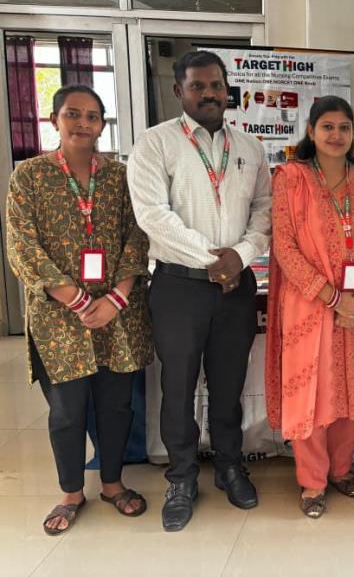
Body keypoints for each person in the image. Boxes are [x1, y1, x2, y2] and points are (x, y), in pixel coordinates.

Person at [127, 50, 272, 531]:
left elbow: (264, 210)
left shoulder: (250, 147)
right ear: (179, 91)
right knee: (179, 388)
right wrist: (213, 259)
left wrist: (240, 255)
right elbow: (153, 216)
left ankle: (230, 466)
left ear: (227, 90)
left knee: (230, 385)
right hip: (179, 287)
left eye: (216, 86)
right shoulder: (155, 144)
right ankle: (182, 477)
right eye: (198, 86)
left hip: (236, 286)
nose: (209, 94)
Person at [6, 85, 153, 535]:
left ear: (102, 124)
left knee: (116, 405)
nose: (83, 123)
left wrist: (115, 299)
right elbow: (22, 243)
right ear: (55, 120)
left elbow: (138, 236)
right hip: (59, 316)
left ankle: (112, 483)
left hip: (118, 312)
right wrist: (76, 298)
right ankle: (71, 491)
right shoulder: (29, 176)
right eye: (73, 114)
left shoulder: (121, 177)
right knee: (67, 409)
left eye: (92, 116)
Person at [264, 96, 354, 518]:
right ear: (311, 131)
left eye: (344, 128)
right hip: (310, 305)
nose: (336, 135)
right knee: (313, 395)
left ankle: (341, 469)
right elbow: (285, 246)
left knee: (352, 390)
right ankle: (312, 482)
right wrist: (333, 298)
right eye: (327, 127)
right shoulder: (291, 178)